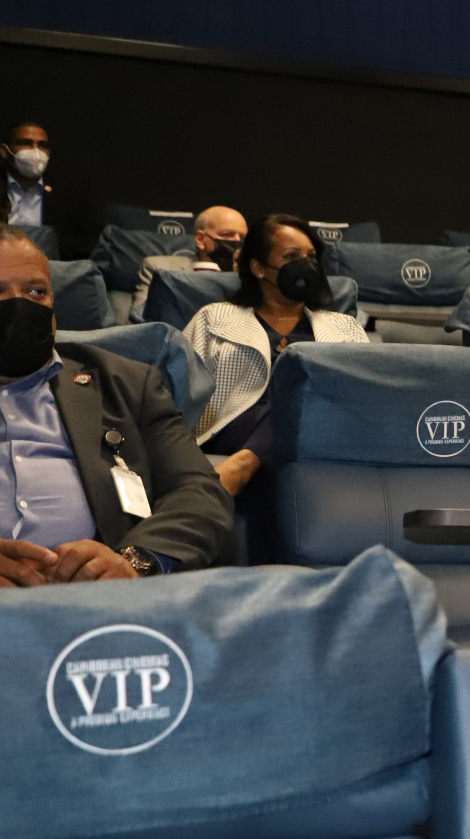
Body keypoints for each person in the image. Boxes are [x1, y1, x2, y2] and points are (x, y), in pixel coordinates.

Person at [0, 225, 232, 583]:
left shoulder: (126, 384)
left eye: (36, 291)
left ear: (54, 304)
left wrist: (132, 562)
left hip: (101, 598)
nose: (20, 304)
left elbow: (200, 494)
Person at [182, 215, 368, 499]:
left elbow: (365, 395)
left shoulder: (344, 327)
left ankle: (245, 464)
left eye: (311, 257)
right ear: (258, 268)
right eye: (292, 256)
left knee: (302, 397)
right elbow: (180, 389)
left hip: (320, 433)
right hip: (234, 425)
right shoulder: (214, 318)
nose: (306, 265)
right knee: (294, 398)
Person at [130, 205, 249, 320]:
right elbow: (140, 317)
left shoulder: (248, 275)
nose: (237, 241)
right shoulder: (160, 267)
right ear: (200, 239)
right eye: (227, 234)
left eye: (243, 237)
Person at [3, 121, 89, 256]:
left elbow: (82, 244)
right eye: (25, 143)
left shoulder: (66, 196)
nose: (35, 151)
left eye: (42, 145)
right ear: (4, 151)